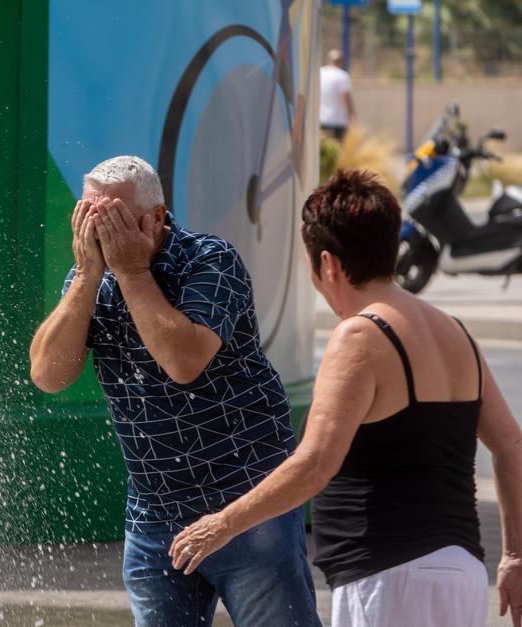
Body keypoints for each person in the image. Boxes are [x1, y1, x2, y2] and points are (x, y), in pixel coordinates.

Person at [170, 168, 522, 627]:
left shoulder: (360, 336)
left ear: (329, 264)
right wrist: (513, 554)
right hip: (461, 573)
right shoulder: (455, 332)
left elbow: (315, 463)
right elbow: (511, 445)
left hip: (390, 578)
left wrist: (223, 524)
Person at [29, 156, 319, 626]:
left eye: (118, 219)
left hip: (245, 504)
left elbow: (184, 361)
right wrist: (86, 275)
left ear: (157, 217)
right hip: (155, 511)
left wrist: (133, 273)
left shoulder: (210, 260)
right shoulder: (92, 279)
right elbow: (48, 375)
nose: (105, 233)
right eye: (91, 217)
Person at [320, 48, 356, 141]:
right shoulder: (342, 76)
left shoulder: (320, 73)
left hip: (321, 119)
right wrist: (351, 116)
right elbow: (346, 98)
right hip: (338, 121)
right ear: (341, 62)